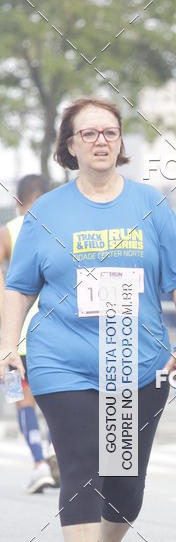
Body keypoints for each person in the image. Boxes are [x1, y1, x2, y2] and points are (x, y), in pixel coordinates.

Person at [0, 97, 176, 542]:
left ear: (121, 143)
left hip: (137, 362)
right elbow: (18, 287)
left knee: (125, 484)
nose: (100, 141)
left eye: (109, 132)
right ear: (69, 146)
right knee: (82, 463)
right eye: (87, 134)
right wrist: (8, 347)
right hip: (62, 361)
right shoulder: (46, 212)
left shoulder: (150, 206)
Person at [0, 174, 59, 493]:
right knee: (53, 401)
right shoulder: (57, 227)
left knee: (19, 400)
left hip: (14, 335)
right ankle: (53, 452)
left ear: (18, 201)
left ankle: (39, 463)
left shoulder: (7, 232)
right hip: (52, 333)